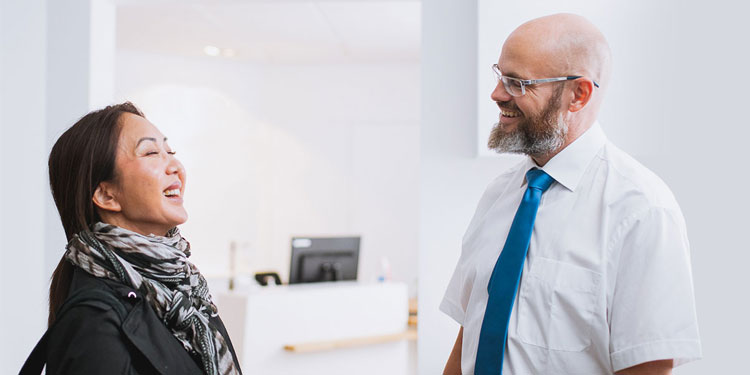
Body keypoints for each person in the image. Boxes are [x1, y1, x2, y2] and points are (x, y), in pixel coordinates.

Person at [440, 13, 701, 375]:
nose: (497, 94)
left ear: (578, 94)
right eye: (501, 76)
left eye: (518, 83)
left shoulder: (642, 210)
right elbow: (471, 332)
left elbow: (648, 367)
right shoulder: (498, 195)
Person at [31, 102, 242, 374]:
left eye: (171, 151)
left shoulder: (185, 290)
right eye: (151, 152)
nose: (176, 165)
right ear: (107, 195)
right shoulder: (93, 323)